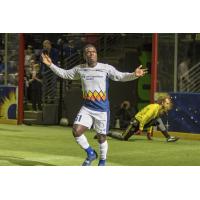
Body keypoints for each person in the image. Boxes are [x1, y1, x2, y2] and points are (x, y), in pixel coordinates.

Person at [41, 44, 147, 166]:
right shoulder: (80, 69)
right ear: (84, 55)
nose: (91, 53)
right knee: (76, 131)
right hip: (87, 108)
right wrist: (50, 65)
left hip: (102, 110)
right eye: (88, 52)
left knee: (101, 137)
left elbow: (120, 76)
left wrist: (134, 74)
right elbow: (65, 74)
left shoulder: (106, 68)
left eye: (93, 51)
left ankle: (102, 161)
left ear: (97, 54)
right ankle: (91, 153)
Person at [108, 95, 179, 142]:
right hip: (136, 122)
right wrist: (141, 129)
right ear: (162, 103)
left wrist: (148, 133)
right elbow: (145, 117)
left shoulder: (158, 110)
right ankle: (108, 133)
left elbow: (150, 121)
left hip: (141, 123)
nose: (168, 105)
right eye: (167, 103)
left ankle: (168, 137)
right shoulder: (154, 107)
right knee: (123, 137)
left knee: (157, 120)